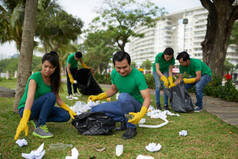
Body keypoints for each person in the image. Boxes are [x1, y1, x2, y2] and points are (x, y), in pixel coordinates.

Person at [88, 51, 150, 139]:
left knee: (123, 96)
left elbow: (147, 98)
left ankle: (131, 126)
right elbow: (113, 89)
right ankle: (124, 120)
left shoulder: (137, 75)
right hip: (123, 104)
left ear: (130, 64)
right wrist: (98, 97)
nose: (122, 71)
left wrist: (141, 113)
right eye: (118, 68)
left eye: (125, 67)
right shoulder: (114, 73)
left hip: (137, 107)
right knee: (95, 110)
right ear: (114, 66)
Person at [14, 51, 76, 140]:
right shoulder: (35, 77)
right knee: (50, 96)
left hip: (40, 109)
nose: (47, 69)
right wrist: (25, 117)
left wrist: (69, 109)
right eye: (45, 66)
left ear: (55, 68)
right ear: (42, 65)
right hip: (26, 109)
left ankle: (38, 119)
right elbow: (30, 98)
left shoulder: (53, 79)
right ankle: (40, 126)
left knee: (65, 115)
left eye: (51, 67)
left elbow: (58, 99)